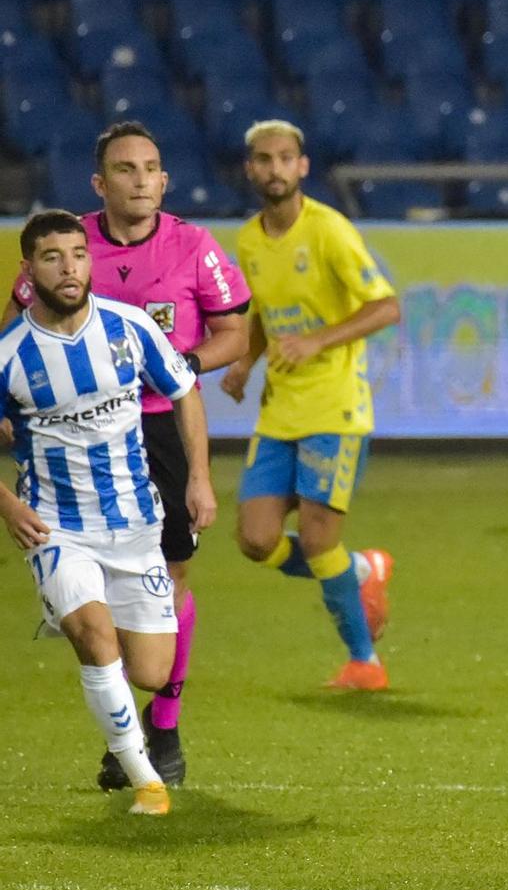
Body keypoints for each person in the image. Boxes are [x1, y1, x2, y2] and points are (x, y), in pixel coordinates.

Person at [4, 122, 249, 789]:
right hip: (75, 441)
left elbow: (235, 332)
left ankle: (163, 722)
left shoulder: (194, 247)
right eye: (125, 169)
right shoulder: (67, 245)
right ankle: (87, 625)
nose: (139, 180)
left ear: (164, 179)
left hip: (163, 425)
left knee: (175, 575)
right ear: (100, 183)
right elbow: (19, 330)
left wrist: (175, 365)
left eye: (150, 168)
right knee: (95, 605)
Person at [219, 120, 400, 690]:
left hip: (335, 408)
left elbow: (386, 307)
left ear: (303, 166)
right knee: (255, 540)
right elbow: (260, 317)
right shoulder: (249, 240)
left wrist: (319, 340)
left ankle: (363, 662)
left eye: (285, 158)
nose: (275, 169)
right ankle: (363, 569)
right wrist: (247, 362)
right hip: (280, 411)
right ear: (250, 169)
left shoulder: (330, 231)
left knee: (319, 540)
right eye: (263, 160)